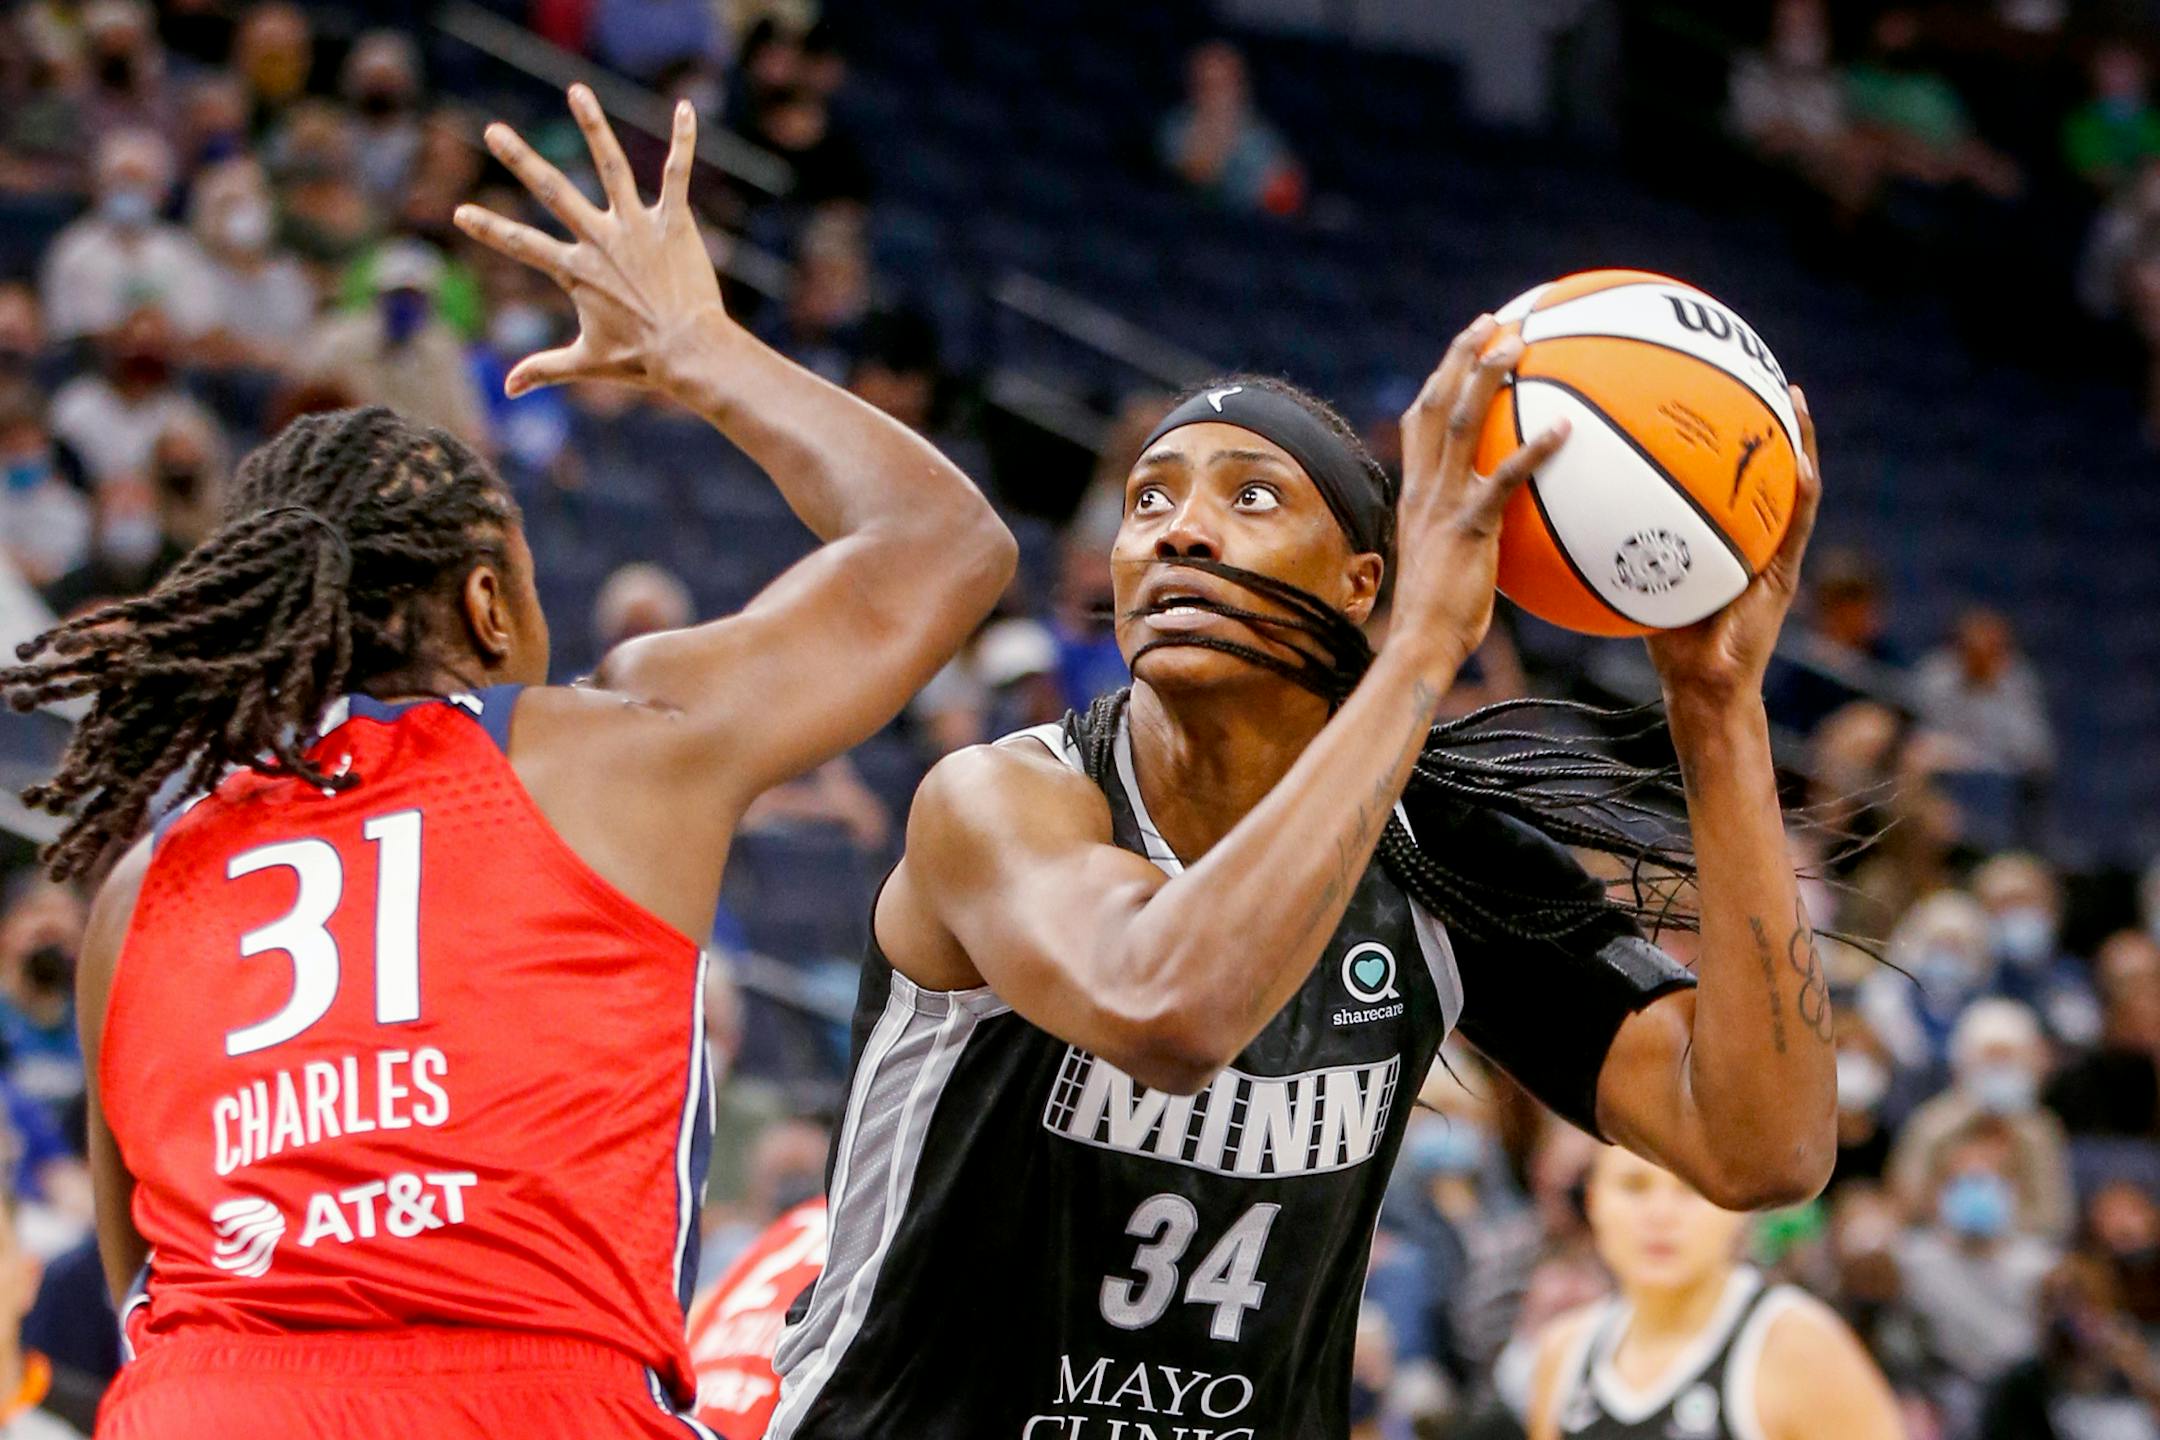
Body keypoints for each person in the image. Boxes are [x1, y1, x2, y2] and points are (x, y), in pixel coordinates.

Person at [3, 86, 1011, 1439]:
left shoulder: (141, 886)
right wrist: (702, 347)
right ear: (489, 609)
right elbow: (948, 548)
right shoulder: (613, 748)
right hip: (529, 1398)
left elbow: (149, 1288)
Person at [768, 319, 1840, 1436]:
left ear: (1357, 582)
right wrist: (1423, 645)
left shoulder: (1436, 855)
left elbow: (1765, 1148)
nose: (1179, 532)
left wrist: (1718, 714)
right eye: (1148, 501)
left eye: (1252, 496)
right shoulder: (1004, 804)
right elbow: (1168, 1010)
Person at [1526, 1147, 1899, 1440]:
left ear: (1736, 1206)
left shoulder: (1798, 1346)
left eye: (1690, 1188)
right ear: (1594, 1201)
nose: (1660, 1214)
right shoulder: (1563, 1353)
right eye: (1634, 1186)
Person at [1886, 998, 2074, 1241]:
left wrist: (2003, 1220)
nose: (1999, 1068)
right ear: (1965, 1061)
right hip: (1938, 1244)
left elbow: (2056, 1216)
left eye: (2008, 1058)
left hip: (2019, 1248)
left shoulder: (2040, 1129)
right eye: (1991, 1058)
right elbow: (1904, 1202)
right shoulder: (1931, 1122)